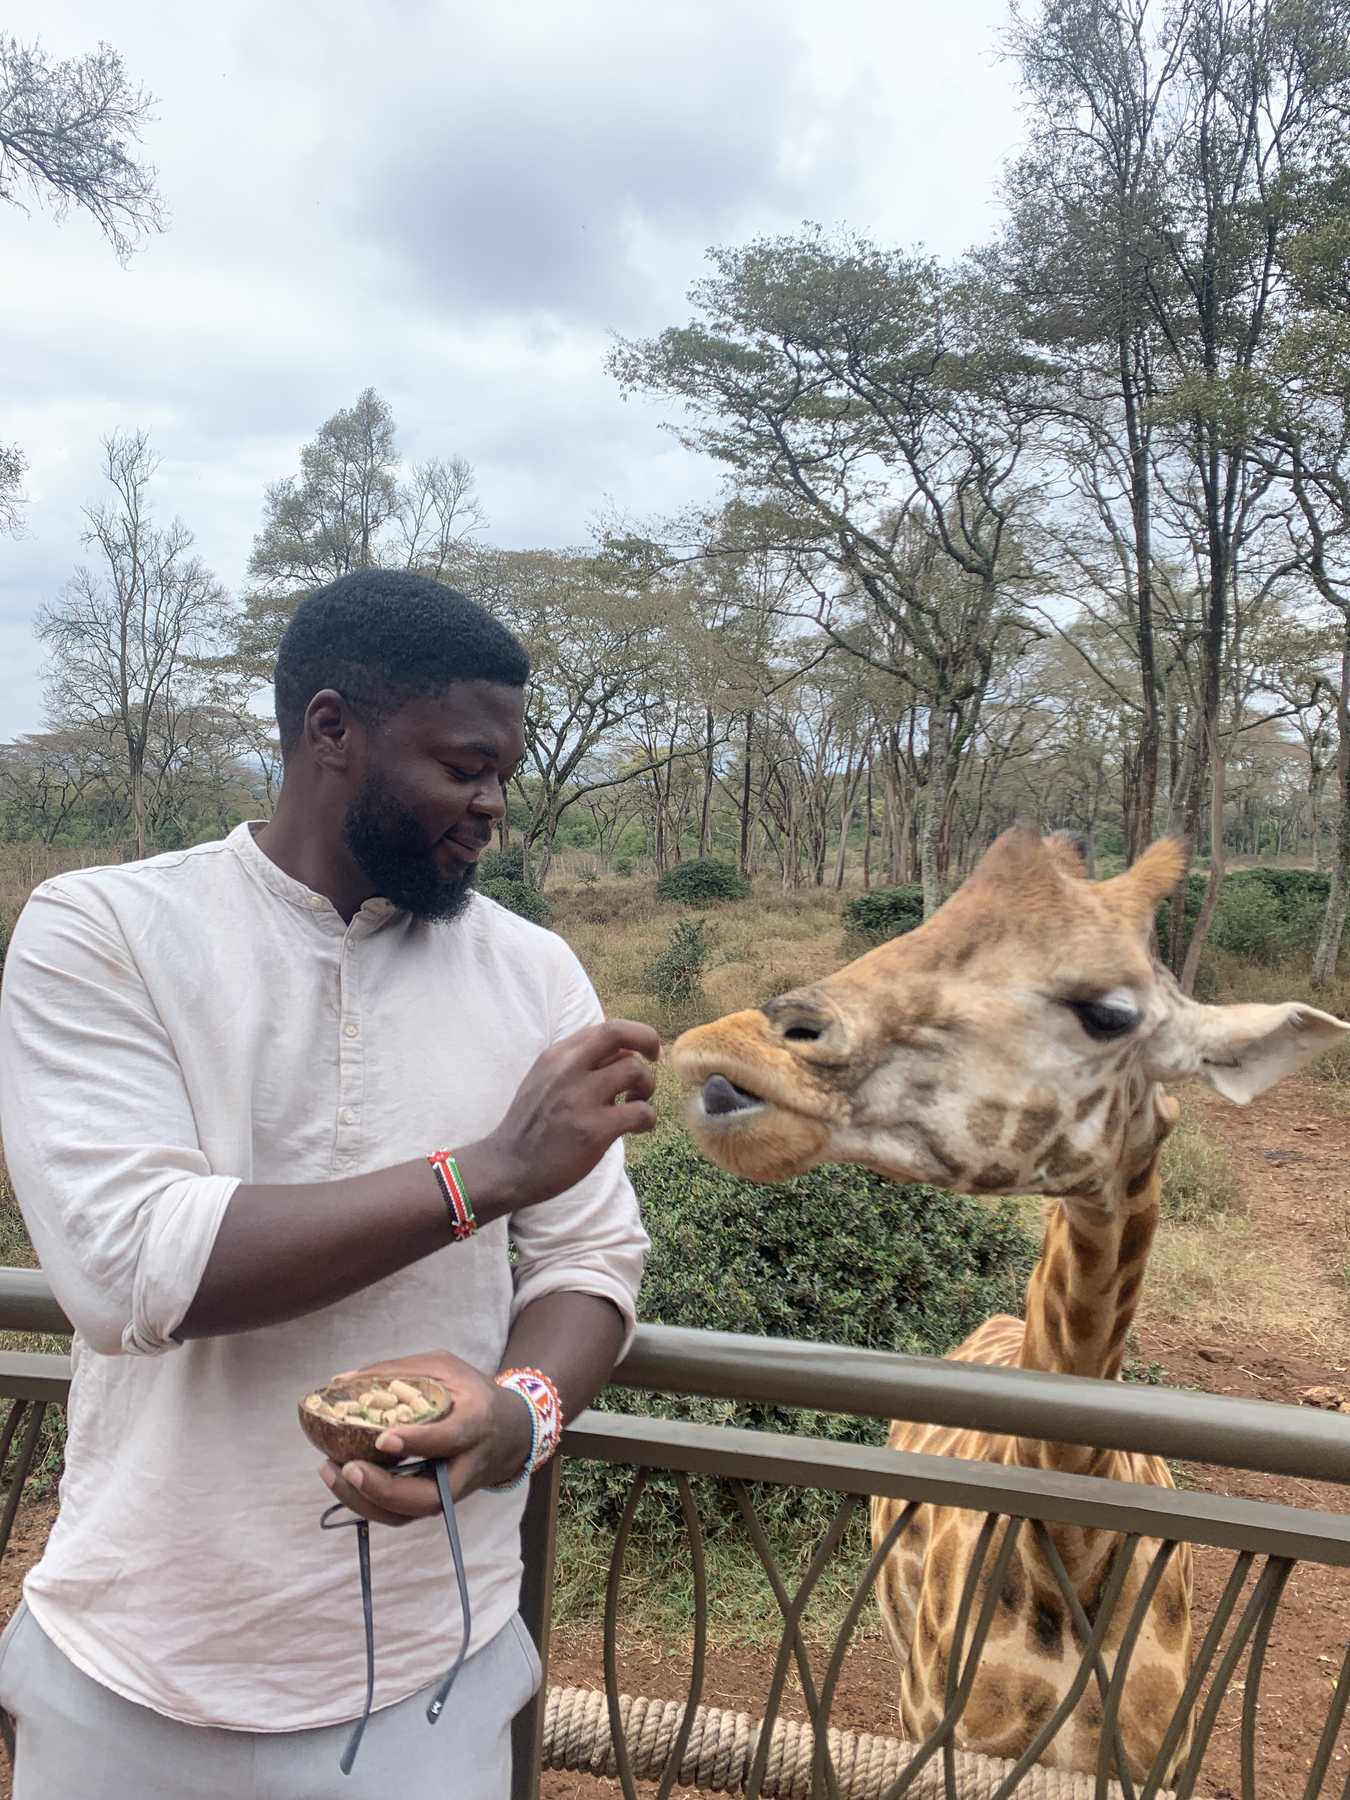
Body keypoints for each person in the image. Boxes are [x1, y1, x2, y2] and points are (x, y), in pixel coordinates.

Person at [0, 569, 657, 1799]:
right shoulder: (103, 931)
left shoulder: (536, 974)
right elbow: (134, 1266)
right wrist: (492, 1171)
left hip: (432, 1668)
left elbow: (589, 1260)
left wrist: (518, 1418)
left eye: (504, 770)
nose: (494, 805)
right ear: (332, 730)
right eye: (464, 766)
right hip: (135, 1663)